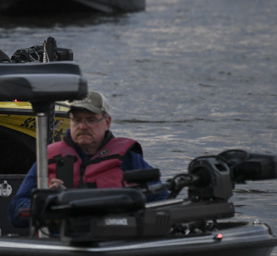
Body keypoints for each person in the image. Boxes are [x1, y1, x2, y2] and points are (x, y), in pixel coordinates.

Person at [9, 90, 167, 228]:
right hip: (59, 241)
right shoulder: (48, 157)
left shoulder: (128, 158)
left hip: (113, 240)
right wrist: (45, 202)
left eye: (90, 120)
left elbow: (162, 200)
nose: (83, 126)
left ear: (107, 122)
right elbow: (16, 213)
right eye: (77, 120)